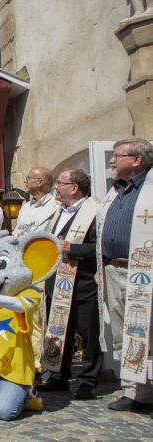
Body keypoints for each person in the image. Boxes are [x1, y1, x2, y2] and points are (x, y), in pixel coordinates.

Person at [97, 138, 153, 413]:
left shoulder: (149, 188)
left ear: (136, 160)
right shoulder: (116, 190)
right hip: (113, 269)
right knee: (124, 332)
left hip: (143, 271)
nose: (111, 160)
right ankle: (134, 391)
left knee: (146, 330)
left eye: (117, 155)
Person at [37, 169, 101, 400]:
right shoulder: (57, 212)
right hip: (59, 281)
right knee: (59, 329)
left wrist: (72, 248)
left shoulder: (95, 212)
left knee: (87, 332)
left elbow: (100, 247)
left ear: (74, 188)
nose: (56, 187)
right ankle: (58, 375)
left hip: (84, 282)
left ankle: (88, 381)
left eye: (60, 183)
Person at [13, 166, 59, 373]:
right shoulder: (25, 207)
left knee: (40, 315)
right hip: (23, 267)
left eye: (28, 178)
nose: (25, 181)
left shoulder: (55, 206)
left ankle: (39, 362)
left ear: (40, 182)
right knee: (26, 314)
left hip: (42, 266)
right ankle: (28, 357)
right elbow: (18, 232)